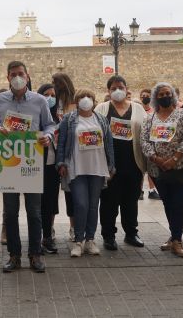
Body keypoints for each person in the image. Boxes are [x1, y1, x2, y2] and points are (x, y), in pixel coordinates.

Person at [0, 61, 55, 273]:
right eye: (13, 74)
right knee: (10, 213)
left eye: (21, 74)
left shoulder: (39, 101)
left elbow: (50, 124)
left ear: (27, 76)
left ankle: (35, 254)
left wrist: (47, 136)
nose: (17, 77)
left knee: (34, 212)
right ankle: (14, 255)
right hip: (8, 163)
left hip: (31, 162)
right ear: (8, 77)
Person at [57, 89, 115, 257]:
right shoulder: (69, 119)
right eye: (82, 97)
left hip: (97, 167)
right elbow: (61, 143)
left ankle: (90, 240)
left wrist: (111, 166)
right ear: (77, 100)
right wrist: (61, 163)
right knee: (80, 204)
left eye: (89, 97)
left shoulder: (102, 120)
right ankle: (78, 241)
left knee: (92, 205)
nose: (86, 99)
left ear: (94, 100)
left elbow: (109, 144)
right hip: (76, 167)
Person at [140, 82, 183, 258]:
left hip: (181, 168)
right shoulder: (150, 118)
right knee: (168, 203)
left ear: (173, 95)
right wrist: (156, 158)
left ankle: (177, 240)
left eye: (167, 93)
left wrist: (174, 159)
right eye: (161, 94)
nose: (165, 97)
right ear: (156, 98)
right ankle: (174, 236)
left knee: (178, 203)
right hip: (158, 170)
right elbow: (144, 141)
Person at [94, 75, 147, 251]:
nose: (118, 91)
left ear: (126, 89)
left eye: (121, 87)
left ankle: (131, 233)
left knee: (130, 201)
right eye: (114, 88)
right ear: (108, 91)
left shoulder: (138, 109)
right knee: (109, 202)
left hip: (133, 163)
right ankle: (108, 236)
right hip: (109, 166)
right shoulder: (101, 108)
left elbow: (146, 133)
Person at [52, 72, 78, 240]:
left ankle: (73, 228)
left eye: (57, 82)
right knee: (51, 194)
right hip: (51, 151)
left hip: (70, 153)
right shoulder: (51, 102)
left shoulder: (75, 103)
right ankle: (50, 228)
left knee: (71, 193)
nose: (55, 85)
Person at [37, 83, 61, 254]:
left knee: (50, 203)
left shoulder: (59, 119)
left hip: (53, 167)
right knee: (36, 205)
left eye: (53, 95)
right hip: (35, 167)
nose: (50, 98)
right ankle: (35, 238)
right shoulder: (35, 117)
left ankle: (47, 237)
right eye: (46, 94)